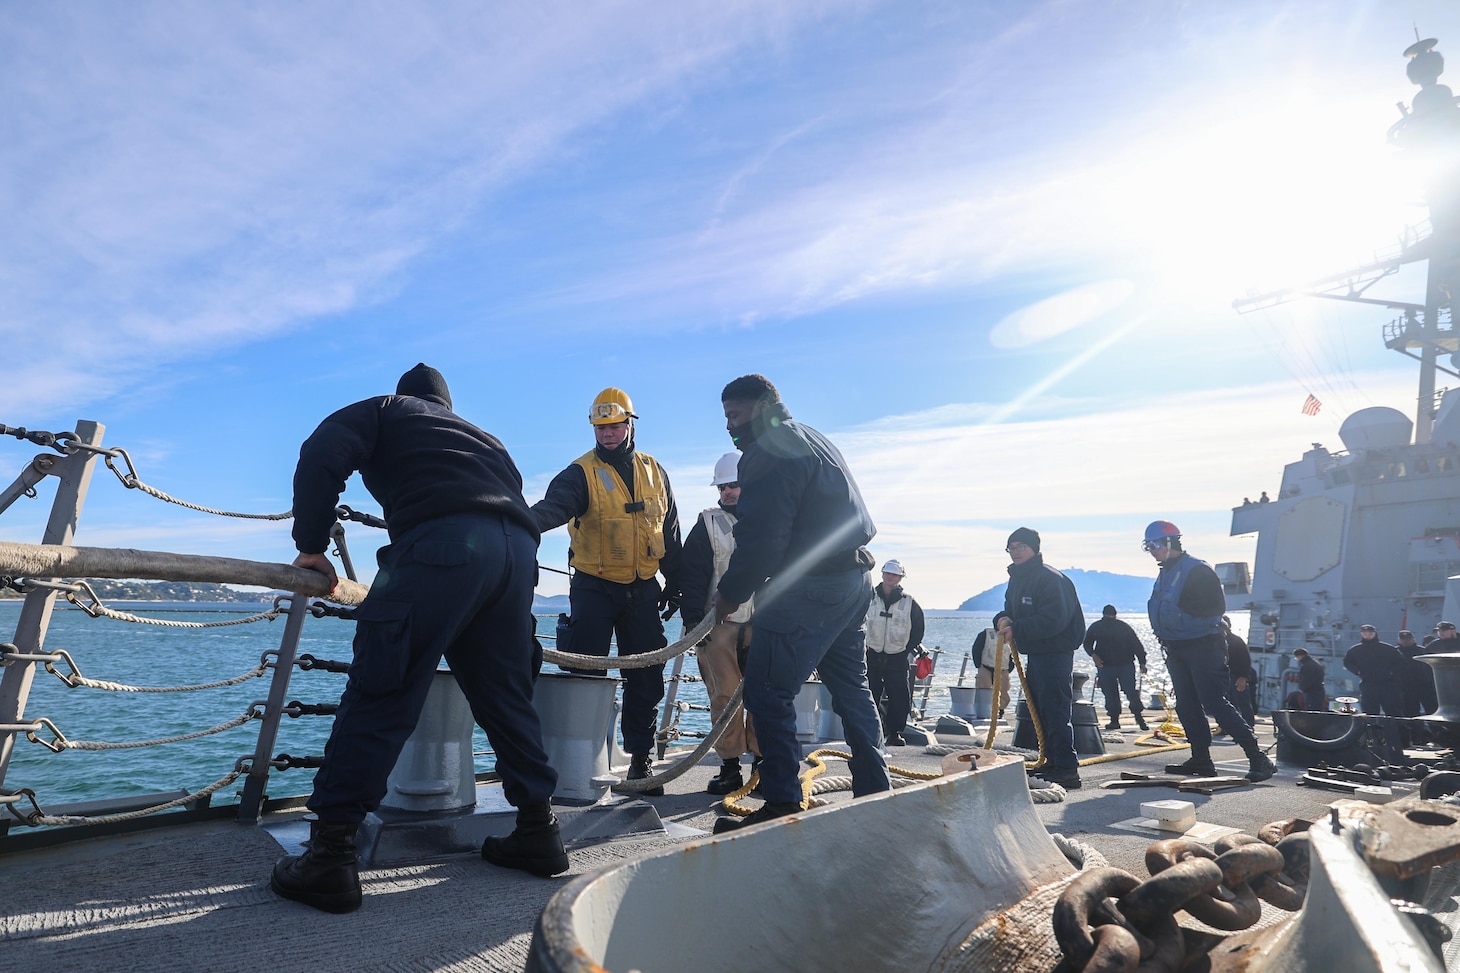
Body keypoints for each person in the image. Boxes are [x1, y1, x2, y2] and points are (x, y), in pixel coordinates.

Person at [271, 364, 566, 914]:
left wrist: (312, 545)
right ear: (447, 406)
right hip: (517, 556)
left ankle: (330, 856)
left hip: (441, 547)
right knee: (507, 698)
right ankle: (538, 831)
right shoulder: (487, 440)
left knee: (382, 689)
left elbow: (321, 453)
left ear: (410, 398)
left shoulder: (385, 409)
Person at [711, 374, 889, 831]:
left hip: (808, 588)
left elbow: (763, 540)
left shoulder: (768, 450)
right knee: (852, 689)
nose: (731, 427)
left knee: (769, 691)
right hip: (853, 583)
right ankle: (876, 791)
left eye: (735, 415)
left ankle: (783, 803)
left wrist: (728, 595)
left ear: (762, 406)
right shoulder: (813, 437)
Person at [531, 388, 683, 796]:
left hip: (643, 589)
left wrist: (679, 584)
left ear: (630, 424)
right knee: (584, 673)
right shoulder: (578, 473)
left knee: (647, 674)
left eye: (615, 425)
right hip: (594, 588)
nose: (608, 434)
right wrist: (518, 523)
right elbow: (554, 508)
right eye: (601, 427)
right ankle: (577, 762)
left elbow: (669, 534)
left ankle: (639, 761)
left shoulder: (656, 472)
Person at [1144, 520, 1275, 782]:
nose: (1152, 551)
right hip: (1177, 649)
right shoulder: (1166, 572)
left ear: (1170, 543)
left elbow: (1215, 605)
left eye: (1155, 545)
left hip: (1202, 646)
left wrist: (1182, 609)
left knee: (1215, 702)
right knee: (1187, 705)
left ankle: (1258, 758)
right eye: (1148, 547)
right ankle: (1201, 759)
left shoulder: (1197, 570)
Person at [679, 451, 759, 795]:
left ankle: (762, 763)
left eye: (735, 485)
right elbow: (693, 576)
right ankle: (729, 768)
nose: (729, 491)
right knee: (724, 696)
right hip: (719, 625)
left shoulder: (770, 519)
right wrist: (694, 622)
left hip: (762, 624)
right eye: (724, 486)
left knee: (763, 696)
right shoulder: (707, 524)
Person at [1003, 527, 1087, 789]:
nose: (1015, 552)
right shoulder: (1018, 579)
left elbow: (1054, 620)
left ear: (1034, 548)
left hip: (1055, 654)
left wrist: (1017, 629)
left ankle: (1066, 768)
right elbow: (1011, 610)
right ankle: (1051, 762)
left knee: (1055, 709)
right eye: (1011, 547)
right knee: (1040, 710)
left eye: (1020, 547)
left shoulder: (1050, 579)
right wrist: (1002, 619)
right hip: (1036, 654)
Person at [863, 559, 926, 746]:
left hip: (897, 656)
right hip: (871, 654)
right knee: (868, 693)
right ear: (882, 574)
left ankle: (894, 732)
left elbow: (918, 629)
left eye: (895, 574)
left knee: (900, 697)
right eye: (888, 573)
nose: (890, 577)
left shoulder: (909, 603)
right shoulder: (868, 596)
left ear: (900, 578)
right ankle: (868, 731)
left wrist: (905, 649)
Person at [1081, 604, 1149, 731]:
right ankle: (1138, 719)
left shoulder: (1097, 626)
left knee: (1113, 693)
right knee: (1128, 692)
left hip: (1114, 665)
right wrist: (1142, 663)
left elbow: (1086, 643)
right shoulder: (1123, 627)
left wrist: (1093, 655)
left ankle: (1117, 720)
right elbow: (1137, 646)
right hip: (1116, 665)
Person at [1342, 624, 1405, 716]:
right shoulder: (1355, 650)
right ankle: (1372, 730)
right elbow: (1347, 662)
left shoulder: (1388, 649)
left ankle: (1394, 729)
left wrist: (1392, 672)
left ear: (1375, 633)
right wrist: (1357, 671)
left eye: (1370, 633)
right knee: (1370, 713)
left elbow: (1400, 662)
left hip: (1388, 685)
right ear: (1361, 634)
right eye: (1365, 633)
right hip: (1368, 684)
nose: (1368, 635)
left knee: (1393, 712)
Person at [971, 611, 1015, 718]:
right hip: (985, 667)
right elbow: (976, 649)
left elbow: (1012, 655)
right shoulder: (985, 634)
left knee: (1003, 692)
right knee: (983, 690)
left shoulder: (1011, 637)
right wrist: (978, 665)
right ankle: (982, 711)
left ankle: (1000, 711)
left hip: (1003, 669)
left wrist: (1009, 669)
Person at [1221, 616, 1256, 729]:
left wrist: (1243, 677)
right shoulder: (1215, 642)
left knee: (1242, 702)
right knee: (1224, 703)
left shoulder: (1236, 641)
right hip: (1221, 676)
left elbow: (1246, 660)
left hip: (1235, 676)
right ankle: (1226, 726)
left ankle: (1248, 726)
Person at [1396, 629, 1439, 717]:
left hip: (1424, 686)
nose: (1406, 641)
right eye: (1403, 639)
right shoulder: (1395, 653)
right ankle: (1414, 730)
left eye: (1408, 639)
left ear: (1413, 639)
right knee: (1410, 712)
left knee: (1431, 709)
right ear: (1399, 640)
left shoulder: (1423, 651)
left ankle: (1436, 730)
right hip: (1406, 687)